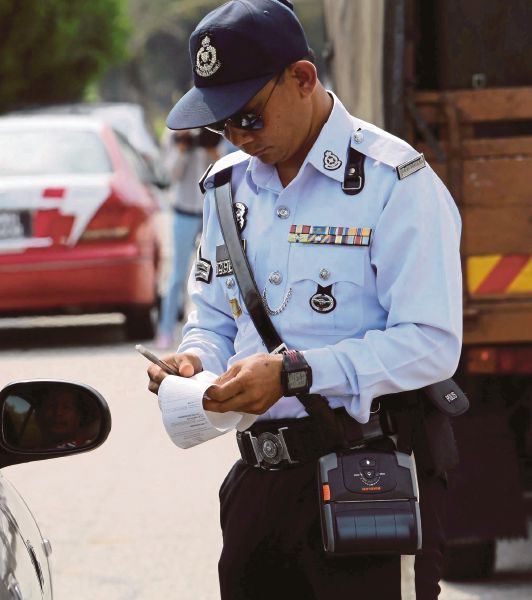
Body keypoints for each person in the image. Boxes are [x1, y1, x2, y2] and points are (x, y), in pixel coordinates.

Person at [145, 1, 461, 598]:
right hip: (258, 484)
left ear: (302, 78)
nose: (236, 137)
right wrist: (194, 364)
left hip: (370, 479)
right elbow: (213, 314)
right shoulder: (228, 187)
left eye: (250, 118)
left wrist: (294, 375)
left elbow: (432, 343)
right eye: (220, 125)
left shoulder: (396, 183)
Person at [155, 128, 223, 350]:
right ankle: (166, 330)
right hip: (183, 211)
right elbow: (170, 175)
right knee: (177, 274)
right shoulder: (174, 133)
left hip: (210, 211)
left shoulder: (215, 128)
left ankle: (215, 331)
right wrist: (183, 150)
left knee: (216, 272)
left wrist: (210, 148)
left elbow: (224, 168)